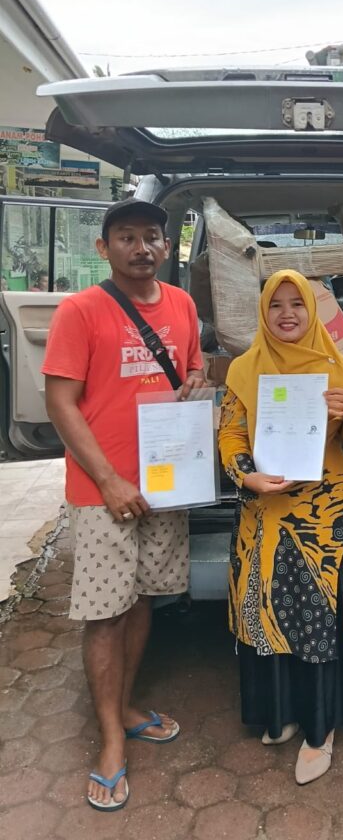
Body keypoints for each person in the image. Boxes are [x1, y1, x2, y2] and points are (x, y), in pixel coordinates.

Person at [42, 197, 204, 813]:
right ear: (103, 247)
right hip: (103, 492)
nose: (142, 248)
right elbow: (61, 403)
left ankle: (128, 707)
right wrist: (109, 480)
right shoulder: (81, 310)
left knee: (140, 602)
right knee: (105, 614)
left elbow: (192, 370)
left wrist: (199, 381)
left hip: (166, 481)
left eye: (152, 237)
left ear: (166, 246)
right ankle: (110, 738)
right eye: (127, 237)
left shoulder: (182, 304)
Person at [218, 269, 343, 786]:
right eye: (276, 304)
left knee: (316, 621)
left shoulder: (335, 365)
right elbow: (230, 435)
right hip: (263, 514)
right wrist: (247, 476)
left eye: (297, 304)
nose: (287, 314)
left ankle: (319, 730)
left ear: (312, 310)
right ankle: (280, 711)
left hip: (321, 521)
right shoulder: (244, 368)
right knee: (266, 613)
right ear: (263, 312)